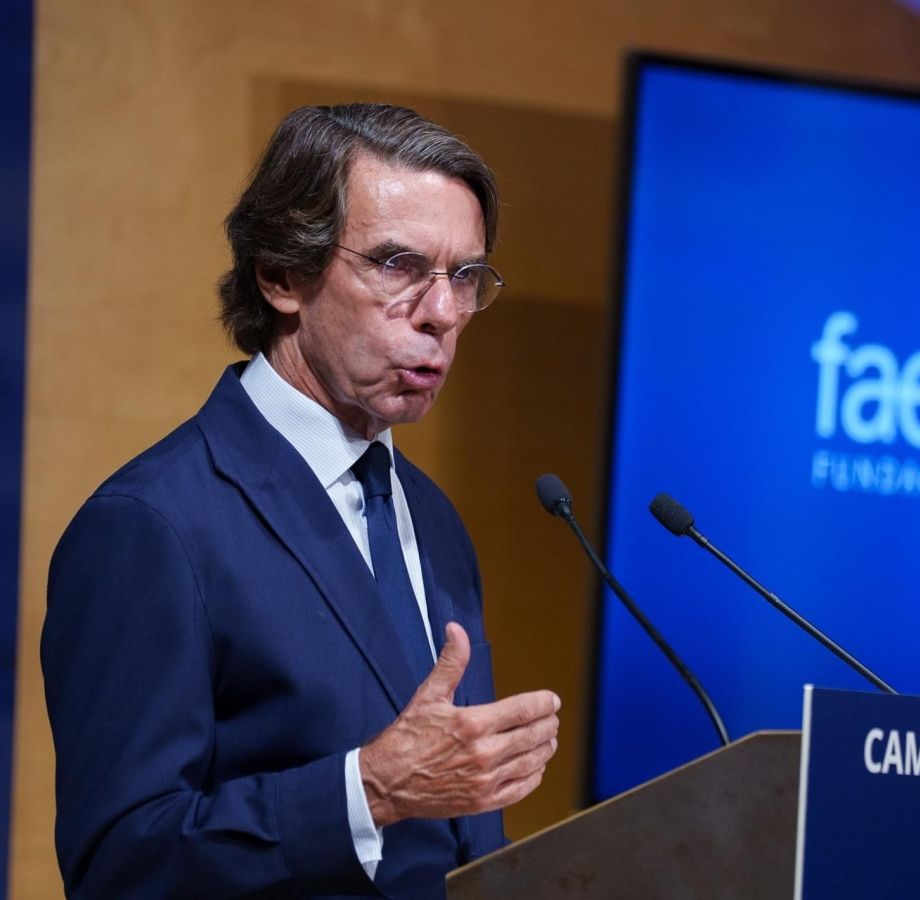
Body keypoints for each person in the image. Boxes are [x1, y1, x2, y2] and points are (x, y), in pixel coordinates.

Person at [41, 104, 560, 899]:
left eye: (464, 276)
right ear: (281, 275)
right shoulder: (152, 525)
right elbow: (118, 865)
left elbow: (446, 840)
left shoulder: (433, 518)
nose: (443, 314)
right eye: (398, 265)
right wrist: (368, 792)